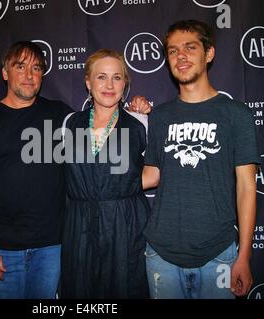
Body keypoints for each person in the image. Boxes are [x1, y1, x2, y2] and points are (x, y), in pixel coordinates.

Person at [0, 42, 151, 299]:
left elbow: (114, 142)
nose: (29, 75)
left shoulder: (61, 116)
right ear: (5, 72)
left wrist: (138, 109)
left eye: (36, 68)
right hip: (3, 247)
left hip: (52, 246)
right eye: (20, 67)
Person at [141, 20, 260, 299]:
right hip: (161, 255)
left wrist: (244, 256)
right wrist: (101, 175)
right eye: (172, 51)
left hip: (218, 255)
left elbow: (246, 188)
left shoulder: (236, 115)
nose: (180, 56)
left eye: (190, 47)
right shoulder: (159, 117)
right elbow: (150, 174)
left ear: (209, 54)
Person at [60, 49, 154, 298]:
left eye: (117, 77)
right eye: (101, 77)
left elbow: (155, 174)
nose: (109, 85)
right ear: (88, 83)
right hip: (79, 225)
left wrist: (120, 187)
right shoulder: (69, 122)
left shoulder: (140, 122)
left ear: (126, 84)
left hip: (126, 224)